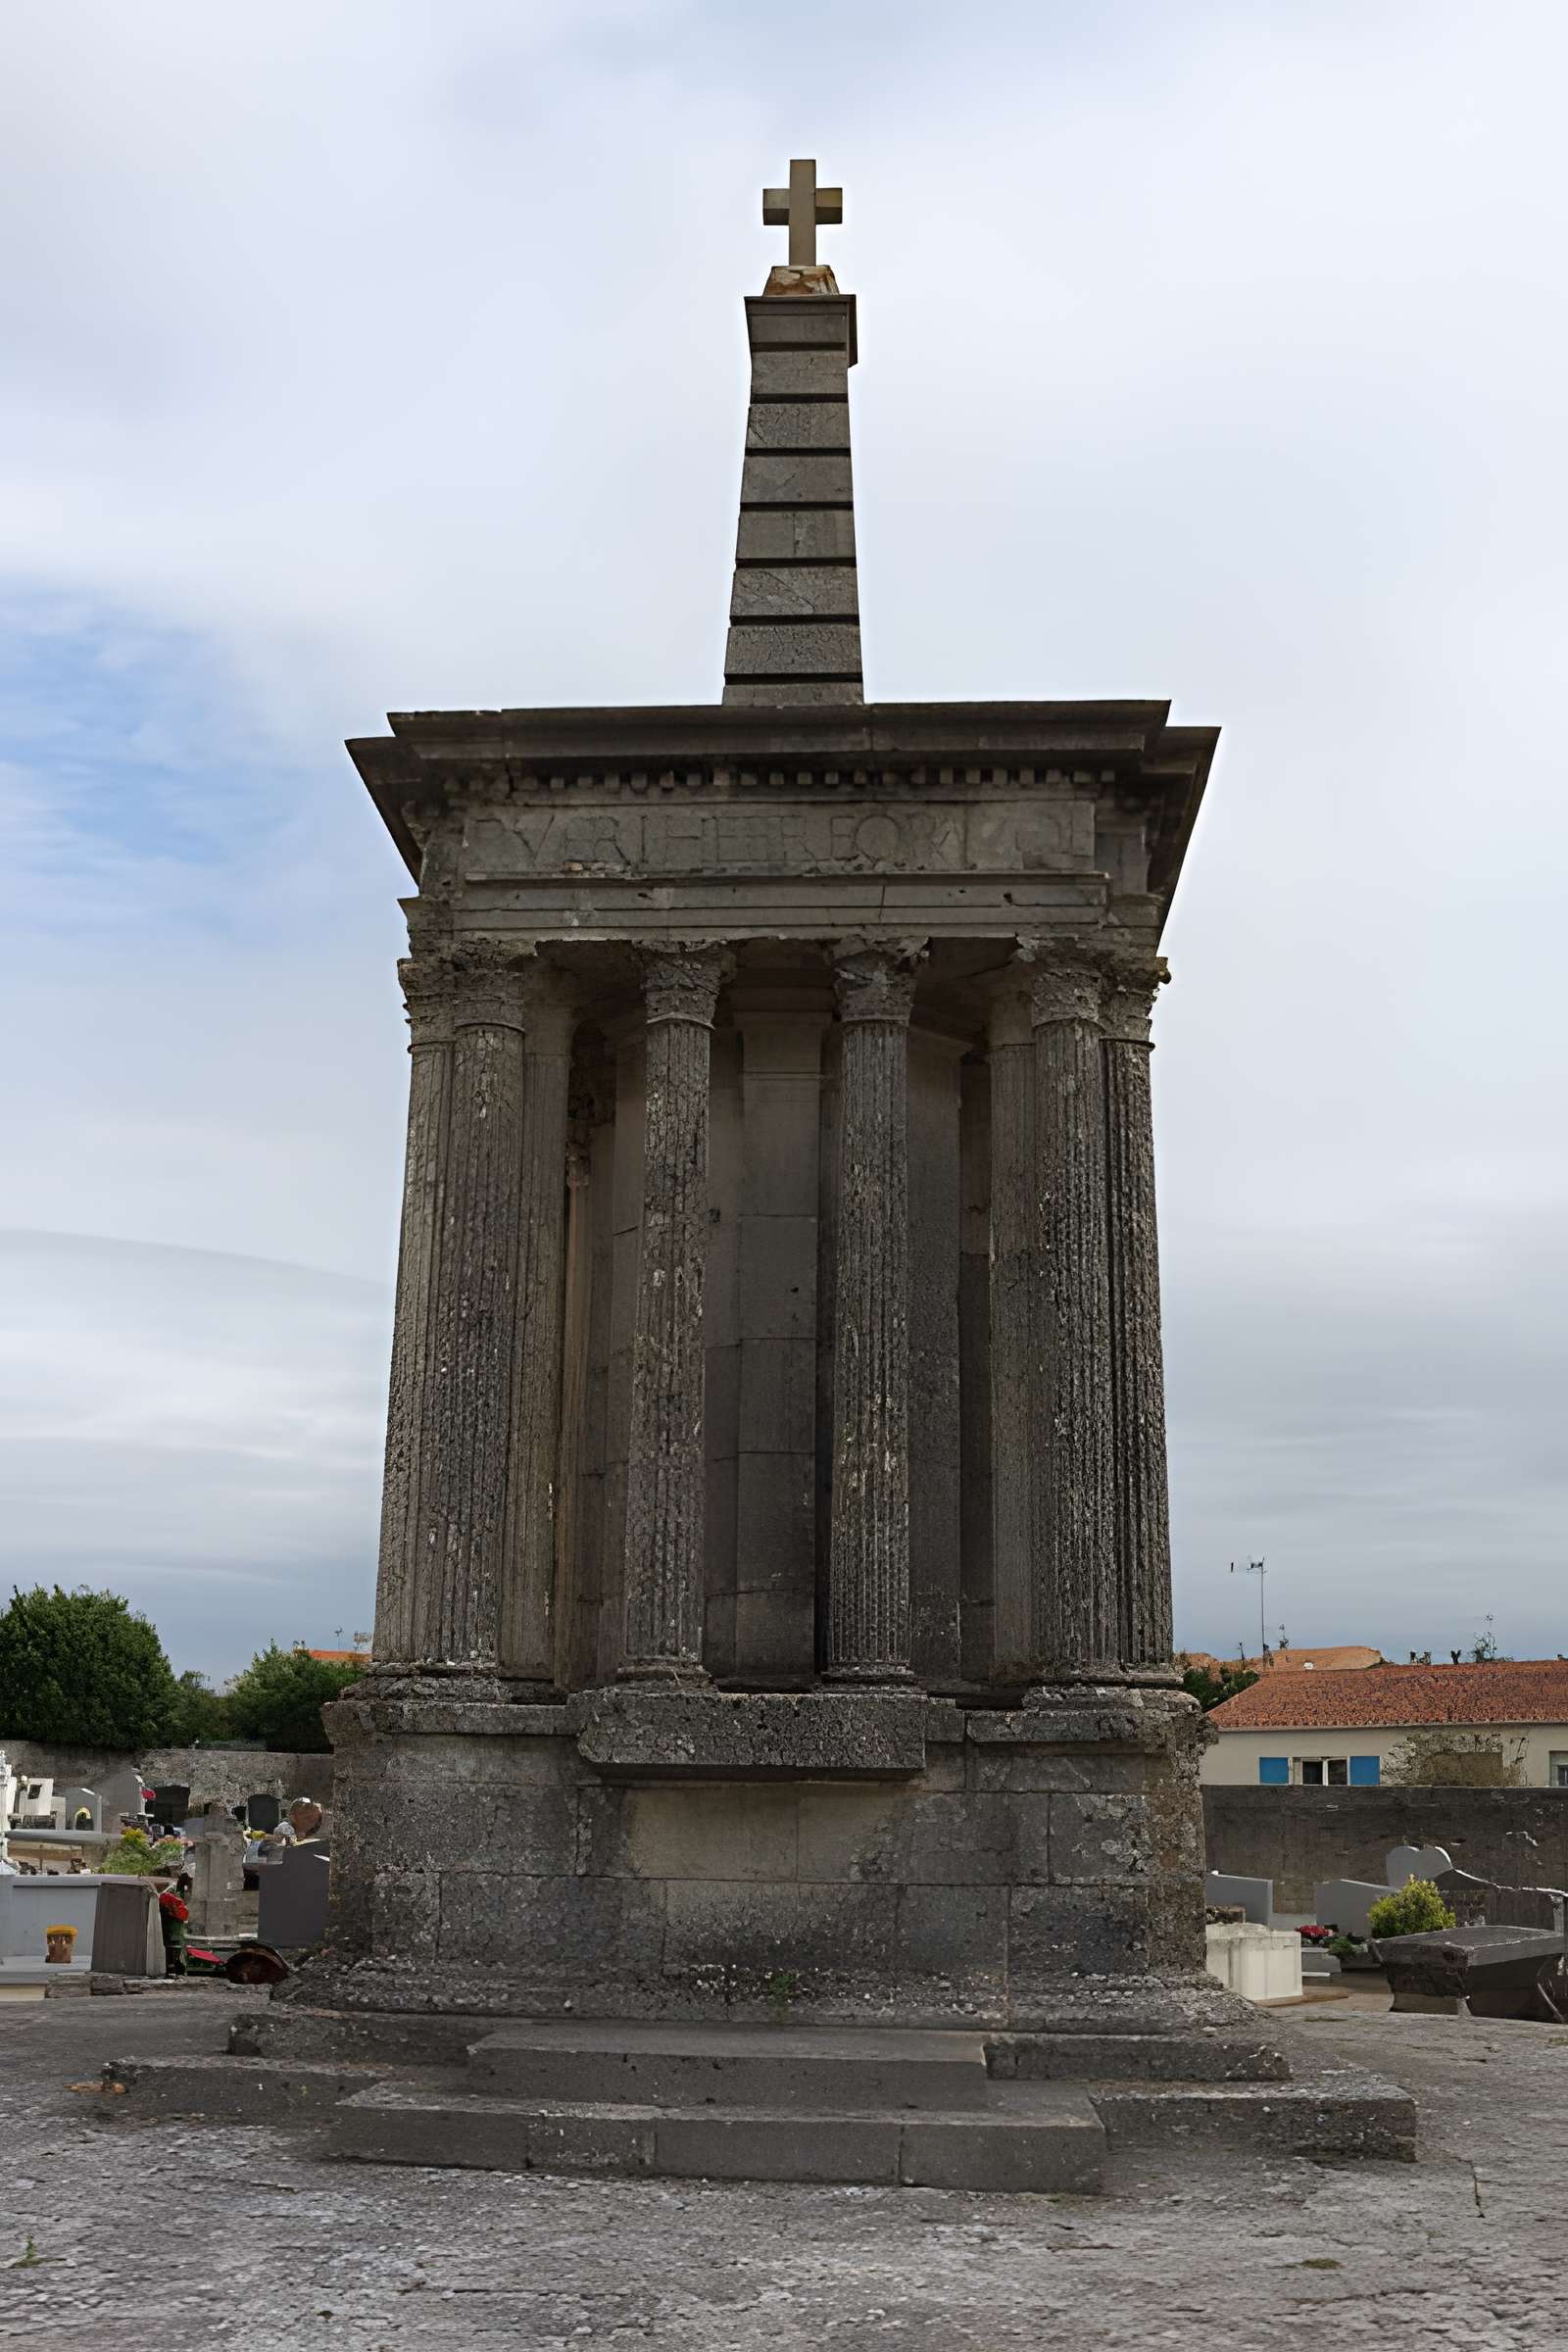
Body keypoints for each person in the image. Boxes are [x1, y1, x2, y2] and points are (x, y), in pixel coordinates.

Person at [158, 1874, 192, 1978]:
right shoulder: (175, 1903)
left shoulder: (167, 1903)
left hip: (171, 1934)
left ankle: (173, 1967)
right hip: (175, 1934)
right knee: (176, 1952)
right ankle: (176, 1968)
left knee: (172, 1951)